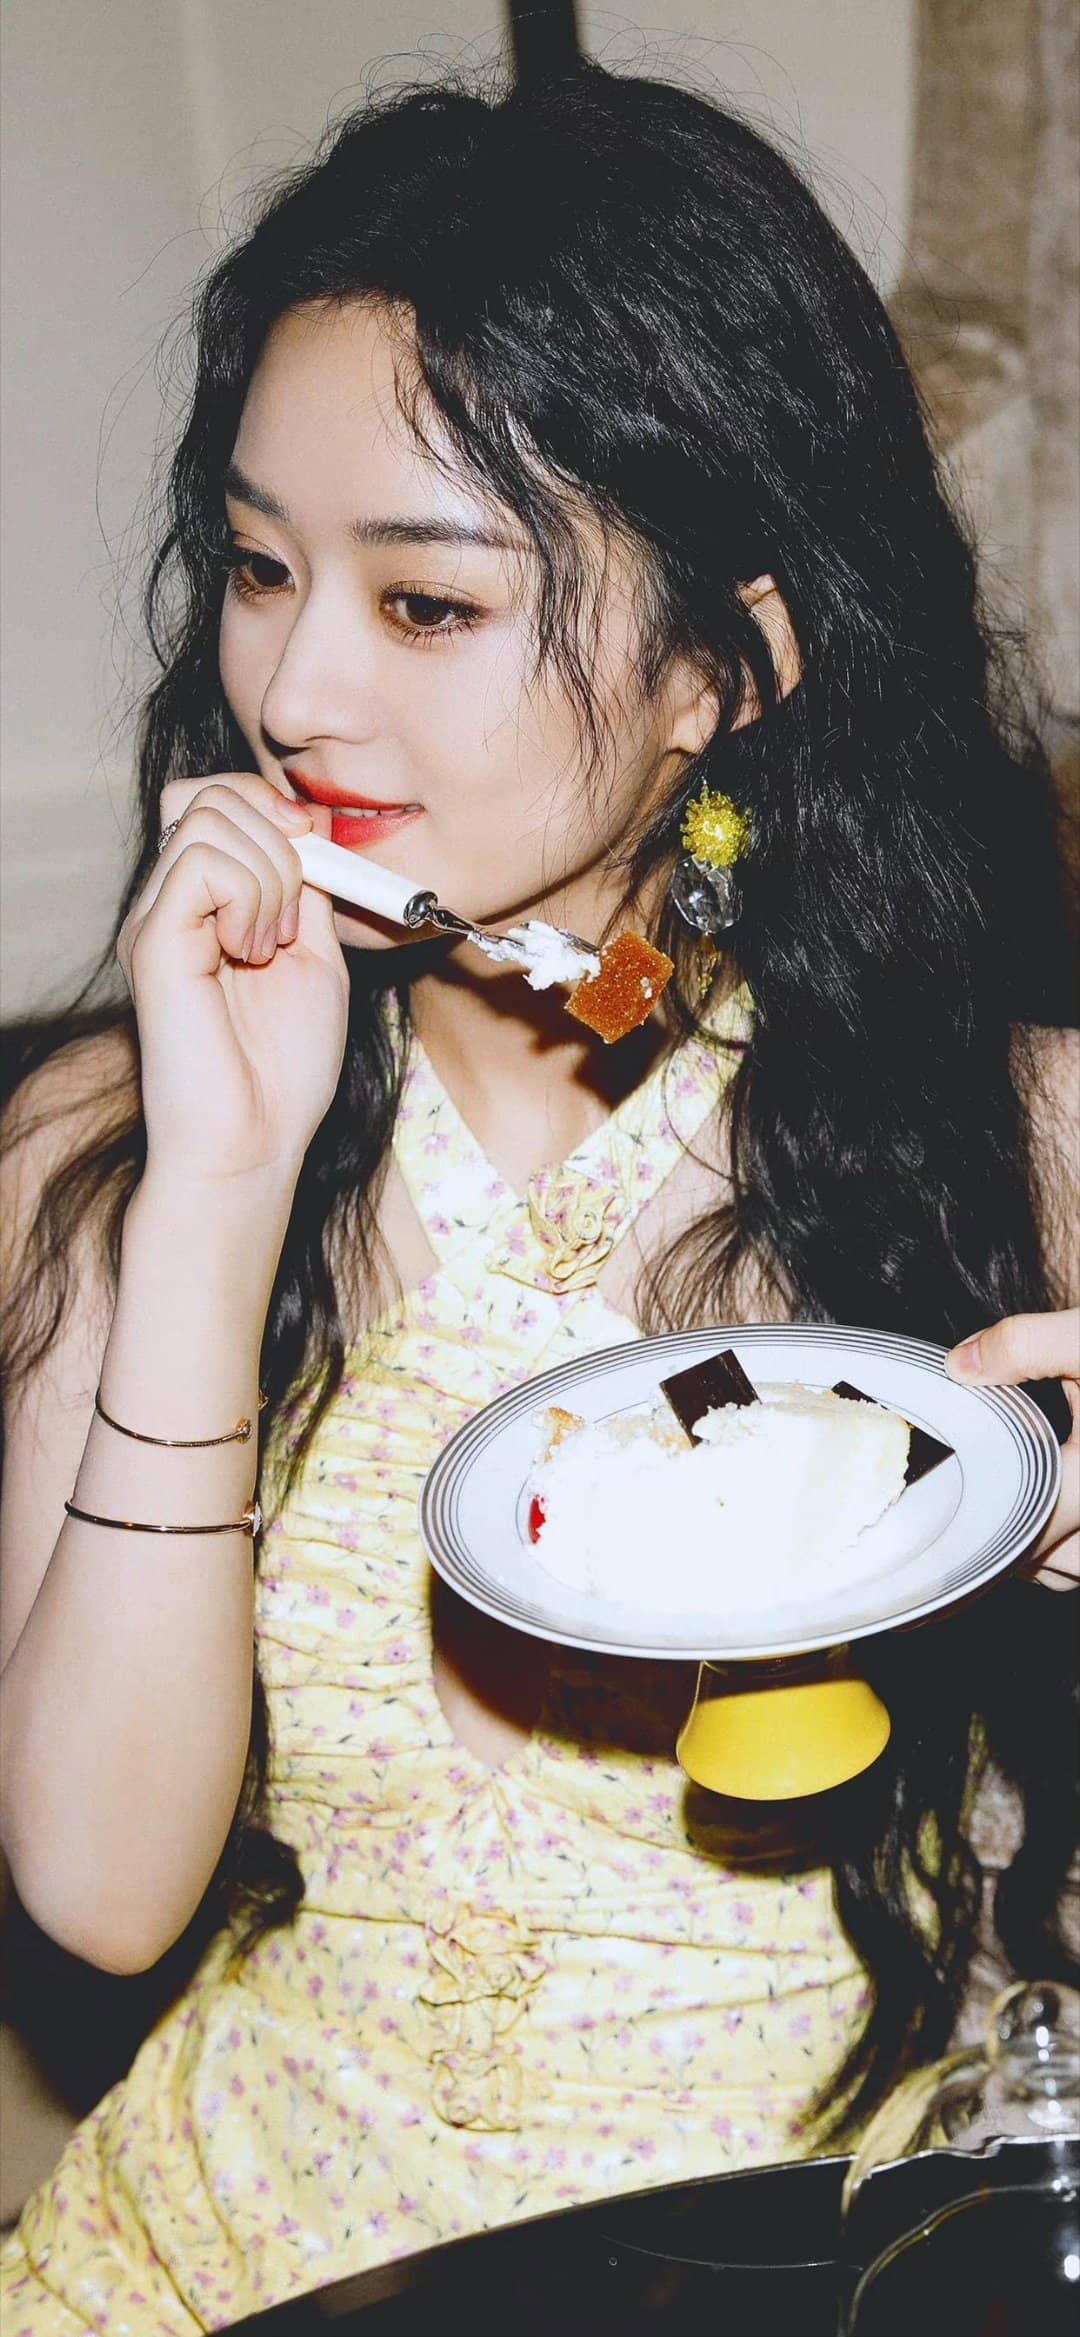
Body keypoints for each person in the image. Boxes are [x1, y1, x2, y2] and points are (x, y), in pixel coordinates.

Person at [1, 61, 1077, 2336]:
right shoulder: (109, 1141)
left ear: (725, 668)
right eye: (264, 568)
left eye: (425, 602)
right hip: (241, 2262)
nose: (292, 686)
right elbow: (98, 1896)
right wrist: (215, 1188)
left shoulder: (1030, 1143)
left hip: (830, 2265)